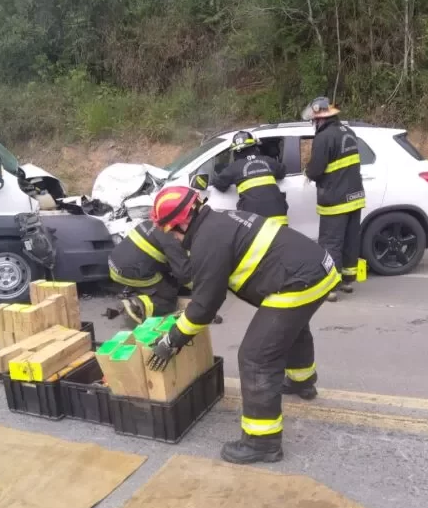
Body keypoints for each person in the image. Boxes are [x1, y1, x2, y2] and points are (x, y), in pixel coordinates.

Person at [146, 186, 339, 464]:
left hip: (299, 279)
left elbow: (203, 307)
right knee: (290, 328)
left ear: (183, 222)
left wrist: (171, 341)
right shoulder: (218, 220)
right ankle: (302, 382)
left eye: (171, 231)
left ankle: (263, 442)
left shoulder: (206, 241)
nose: (173, 238)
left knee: (256, 357)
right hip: (317, 268)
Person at [301, 96, 365, 302]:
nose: (313, 123)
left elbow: (317, 168)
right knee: (350, 240)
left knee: (331, 243)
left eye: (314, 119)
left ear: (320, 117)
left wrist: (307, 173)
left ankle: (330, 286)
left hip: (335, 198)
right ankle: (347, 280)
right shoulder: (349, 132)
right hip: (354, 196)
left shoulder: (324, 137)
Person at [107, 219, 191, 324]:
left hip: (117, 261)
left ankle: (143, 291)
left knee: (173, 280)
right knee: (169, 299)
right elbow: (184, 275)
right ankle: (136, 306)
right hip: (130, 272)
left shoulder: (159, 220)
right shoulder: (173, 240)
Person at [211, 131, 289, 225]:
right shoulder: (268, 161)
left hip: (255, 219)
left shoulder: (234, 167)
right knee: (282, 239)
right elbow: (282, 172)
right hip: (279, 215)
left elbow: (219, 183)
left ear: (236, 151)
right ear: (254, 146)